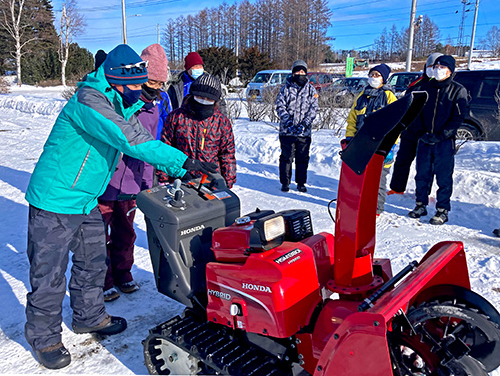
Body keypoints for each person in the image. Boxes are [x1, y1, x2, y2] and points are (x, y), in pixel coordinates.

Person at [24, 44, 217, 370]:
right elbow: (131, 139)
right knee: (49, 275)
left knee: (94, 262)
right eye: (138, 86)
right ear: (117, 81)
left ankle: (90, 317)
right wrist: (184, 162)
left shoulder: (114, 102)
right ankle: (44, 338)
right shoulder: (90, 101)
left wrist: (182, 168)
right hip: (54, 200)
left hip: (85, 200)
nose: (143, 91)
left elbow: (139, 131)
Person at [97, 43, 169, 302]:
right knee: (98, 234)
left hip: (132, 182)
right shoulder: (118, 102)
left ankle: (123, 272)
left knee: (126, 231)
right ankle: (103, 280)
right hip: (107, 181)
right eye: (151, 81)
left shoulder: (154, 107)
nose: (155, 88)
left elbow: (151, 146)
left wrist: (148, 181)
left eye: (160, 83)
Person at [408, 55, 467, 225]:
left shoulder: (457, 90)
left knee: (443, 176)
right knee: (422, 174)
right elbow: (416, 112)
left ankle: (442, 209)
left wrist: (442, 135)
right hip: (425, 139)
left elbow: (458, 117)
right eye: (436, 66)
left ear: (450, 70)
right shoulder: (426, 88)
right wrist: (421, 132)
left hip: (444, 141)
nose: (438, 69)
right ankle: (420, 204)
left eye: (442, 66)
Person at [158, 73, 236, 188]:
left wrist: (228, 182)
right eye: (200, 97)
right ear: (192, 95)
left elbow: (227, 153)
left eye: (208, 99)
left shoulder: (222, 122)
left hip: (210, 180)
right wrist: (163, 177)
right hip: (180, 178)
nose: (204, 101)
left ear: (215, 101)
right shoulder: (176, 117)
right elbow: (165, 148)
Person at [388, 52, 443, 195]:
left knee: (426, 165)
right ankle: (397, 188)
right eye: (431, 66)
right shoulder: (416, 84)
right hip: (411, 129)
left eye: (437, 66)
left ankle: (424, 193)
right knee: (403, 159)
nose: (434, 69)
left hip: (429, 132)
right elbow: (405, 104)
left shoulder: (443, 86)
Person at [345, 63, 397, 214]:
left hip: (381, 146)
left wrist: (390, 146)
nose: (373, 78)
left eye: (377, 75)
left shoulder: (389, 96)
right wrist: (349, 138)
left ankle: (376, 209)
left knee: (378, 180)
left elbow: (396, 124)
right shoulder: (362, 96)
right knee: (361, 178)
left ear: (384, 79)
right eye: (371, 75)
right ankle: (361, 205)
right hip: (361, 144)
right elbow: (352, 119)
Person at [276, 59, 318, 193]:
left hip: (304, 133)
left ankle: (301, 183)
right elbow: (280, 106)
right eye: (297, 71)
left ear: (306, 73)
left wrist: (304, 124)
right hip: (286, 132)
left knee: (302, 158)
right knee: (286, 158)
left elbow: (314, 108)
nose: (300, 74)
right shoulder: (285, 88)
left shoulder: (311, 90)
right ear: (293, 73)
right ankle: (285, 182)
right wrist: (288, 122)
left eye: (302, 71)